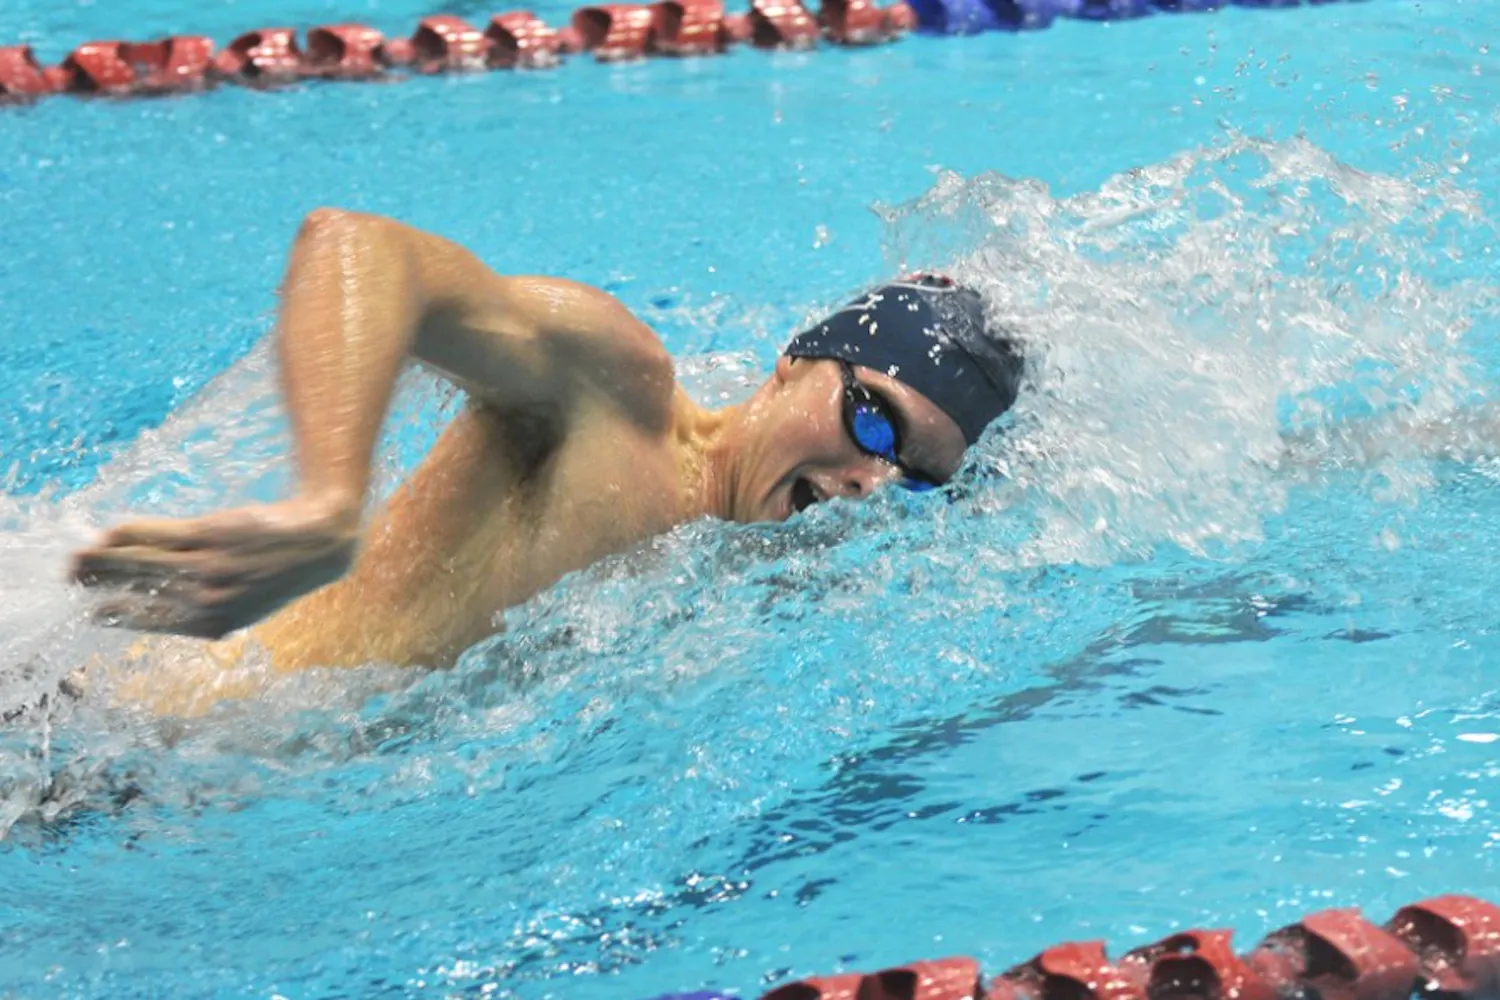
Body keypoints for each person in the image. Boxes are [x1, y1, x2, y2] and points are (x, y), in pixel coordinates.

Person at [67, 209, 1024, 696]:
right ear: (794, 362)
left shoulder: (767, 573)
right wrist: (327, 500)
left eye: (911, 477)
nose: (868, 481)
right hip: (107, 730)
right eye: (871, 422)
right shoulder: (617, 399)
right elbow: (358, 248)